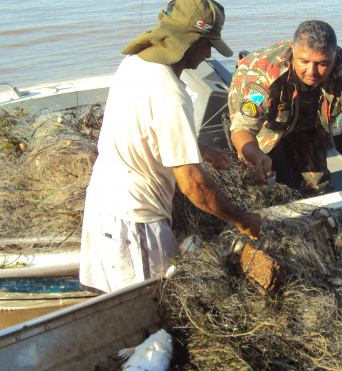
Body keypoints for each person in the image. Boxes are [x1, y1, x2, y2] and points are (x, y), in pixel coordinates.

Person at [80, 0, 261, 294]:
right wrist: (244, 221)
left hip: (101, 204)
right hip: (137, 222)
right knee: (157, 310)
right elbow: (195, 187)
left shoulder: (136, 63)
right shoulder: (173, 96)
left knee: (113, 302)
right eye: (207, 44)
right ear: (188, 42)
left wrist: (203, 149)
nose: (209, 53)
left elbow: (149, 129)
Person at [227, 20, 342, 225]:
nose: (312, 72)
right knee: (255, 181)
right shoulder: (265, 75)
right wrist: (257, 157)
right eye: (304, 61)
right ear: (293, 52)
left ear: (335, 57)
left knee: (318, 188)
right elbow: (241, 129)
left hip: (310, 118)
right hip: (268, 115)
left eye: (323, 63)